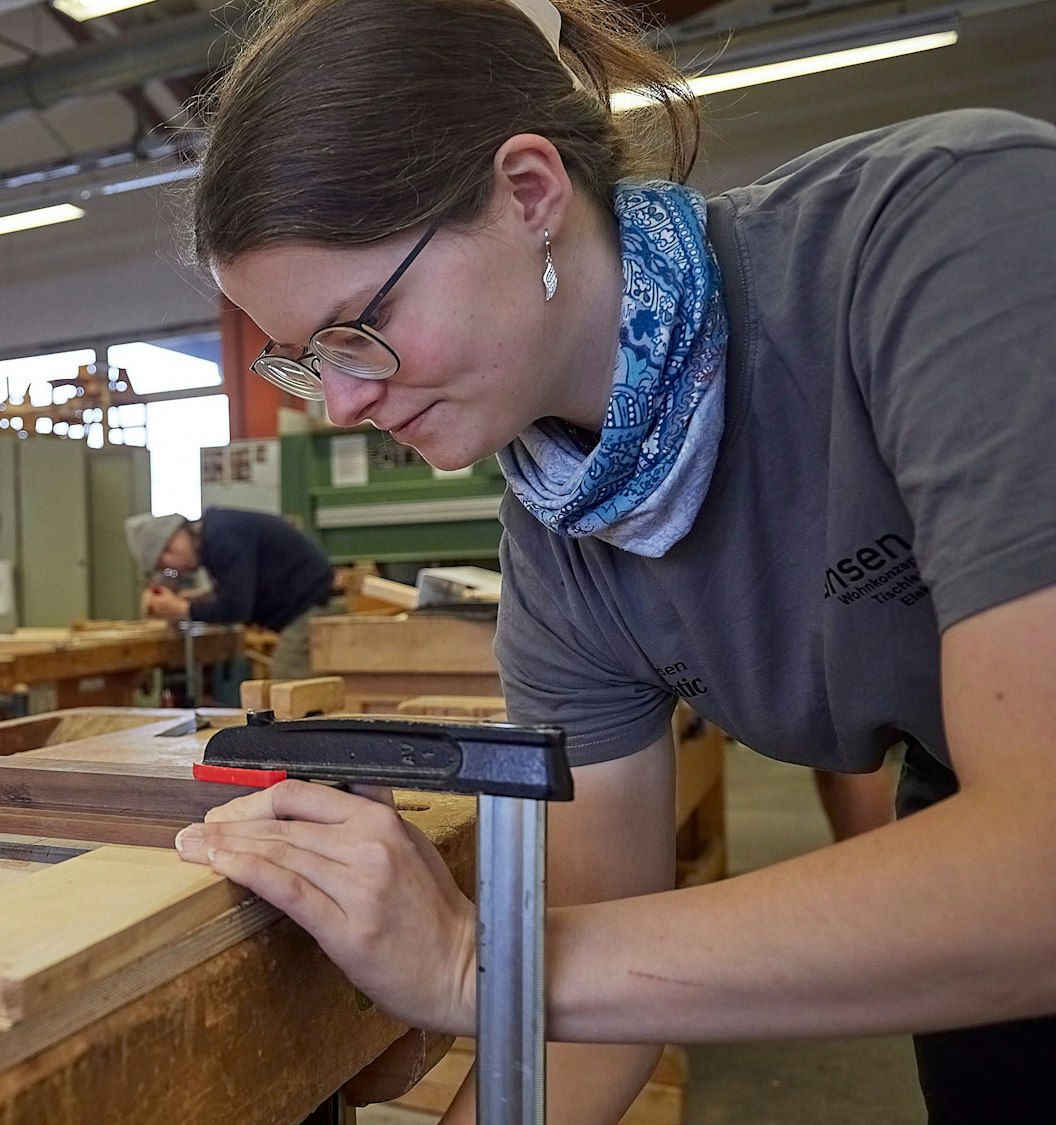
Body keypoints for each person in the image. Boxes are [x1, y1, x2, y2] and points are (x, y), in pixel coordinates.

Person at [167, 0, 1056, 1121]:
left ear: (528, 192)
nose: (340, 401)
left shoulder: (945, 232)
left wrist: (473, 967)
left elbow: (1038, 869)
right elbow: (602, 989)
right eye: (304, 361)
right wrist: (513, 983)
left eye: (358, 327)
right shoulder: (562, 539)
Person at [124, 508, 335, 680]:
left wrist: (181, 609)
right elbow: (237, 588)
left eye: (164, 561)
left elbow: (237, 607)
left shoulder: (221, 537)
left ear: (172, 541)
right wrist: (196, 599)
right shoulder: (216, 532)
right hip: (309, 609)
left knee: (286, 689)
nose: (172, 568)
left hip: (314, 610)